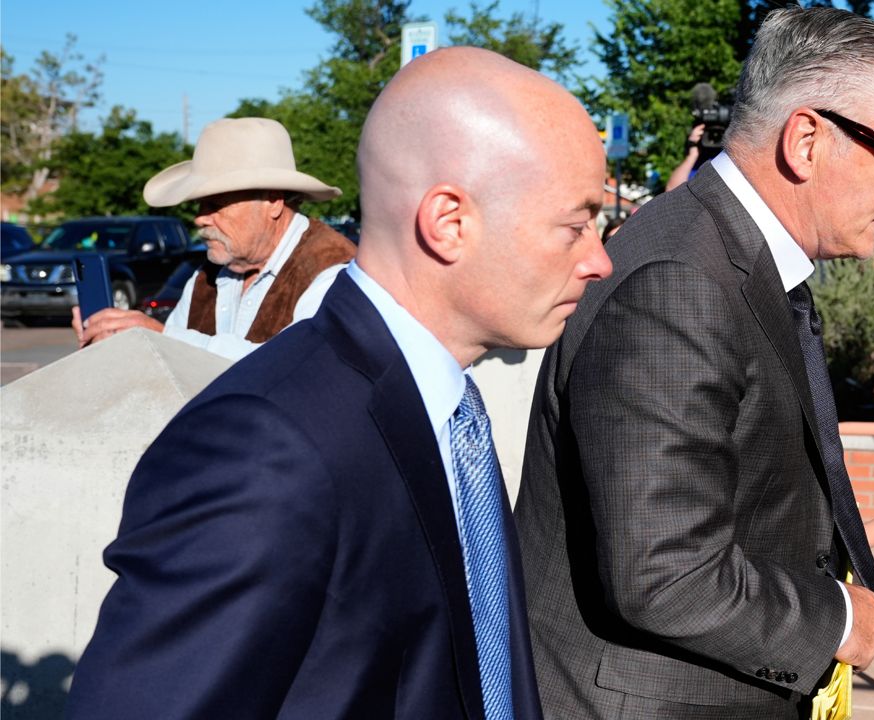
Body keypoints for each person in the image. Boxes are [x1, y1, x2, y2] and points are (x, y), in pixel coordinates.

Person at [65, 47, 610, 718]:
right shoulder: (264, 445)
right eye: (576, 223)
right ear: (449, 222)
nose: (599, 259)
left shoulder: (449, 408)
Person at [515, 8, 874, 717]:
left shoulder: (724, 256)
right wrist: (835, 617)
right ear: (805, 139)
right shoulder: (678, 281)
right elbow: (665, 574)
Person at [72, 117, 355, 361]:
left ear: (273, 201)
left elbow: (291, 368)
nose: (200, 218)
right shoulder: (204, 279)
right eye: (199, 204)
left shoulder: (333, 272)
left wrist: (162, 338)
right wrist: (117, 346)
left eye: (216, 204)